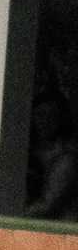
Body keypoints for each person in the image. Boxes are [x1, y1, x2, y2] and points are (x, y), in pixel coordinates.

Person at [27, 92, 78, 222]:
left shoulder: (67, 157)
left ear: (62, 119)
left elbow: (47, 206)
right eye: (40, 115)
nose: (46, 121)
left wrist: (17, 213)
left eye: (53, 116)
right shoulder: (22, 151)